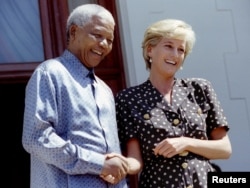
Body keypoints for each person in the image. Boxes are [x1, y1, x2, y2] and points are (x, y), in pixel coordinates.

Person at [115, 19, 232, 188]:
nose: (175, 55)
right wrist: (118, 164)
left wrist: (186, 142)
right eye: (169, 46)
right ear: (150, 50)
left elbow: (225, 149)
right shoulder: (128, 99)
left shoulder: (200, 88)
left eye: (181, 50)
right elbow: (136, 160)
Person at [22, 4, 129, 188]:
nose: (104, 44)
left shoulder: (105, 90)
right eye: (97, 35)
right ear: (73, 32)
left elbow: (112, 157)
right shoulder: (50, 73)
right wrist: (98, 163)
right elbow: (36, 138)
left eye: (109, 40)